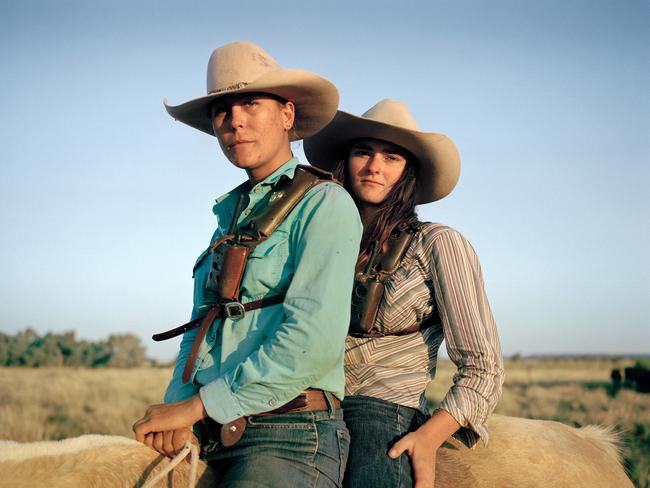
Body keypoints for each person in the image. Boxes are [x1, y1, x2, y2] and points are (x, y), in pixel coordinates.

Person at [133, 41, 362, 487]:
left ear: (287, 115)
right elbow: (201, 329)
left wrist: (198, 406)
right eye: (222, 110)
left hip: (288, 433)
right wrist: (177, 407)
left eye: (250, 103)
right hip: (211, 429)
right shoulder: (228, 222)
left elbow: (311, 341)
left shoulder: (325, 204)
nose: (234, 120)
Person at [304, 99, 505, 488]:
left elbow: (484, 366)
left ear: (408, 173)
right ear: (347, 161)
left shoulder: (438, 244)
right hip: (309, 405)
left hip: (380, 409)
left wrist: (429, 437)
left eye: (391, 158)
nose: (375, 166)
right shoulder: (319, 244)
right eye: (363, 152)